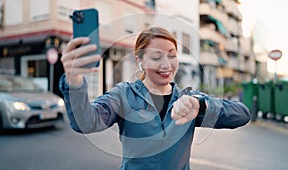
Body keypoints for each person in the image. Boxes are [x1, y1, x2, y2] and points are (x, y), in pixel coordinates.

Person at [59, 27, 250, 170]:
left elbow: (242, 115)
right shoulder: (123, 95)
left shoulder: (188, 98)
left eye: (172, 55)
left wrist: (202, 106)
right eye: (156, 57)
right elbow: (86, 122)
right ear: (139, 60)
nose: (166, 64)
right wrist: (74, 81)